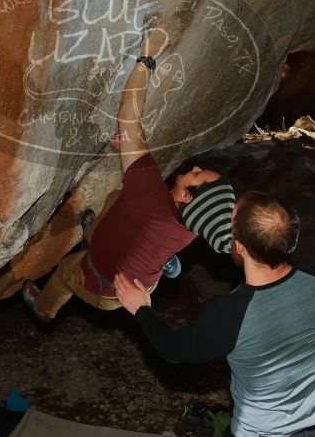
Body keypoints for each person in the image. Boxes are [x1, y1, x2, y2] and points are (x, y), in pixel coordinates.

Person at [21, 27, 222, 322]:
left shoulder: (150, 196)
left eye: (199, 175)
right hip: (144, 284)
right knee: (118, 198)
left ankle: (44, 309)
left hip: (104, 287)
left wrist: (147, 59)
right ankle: (97, 233)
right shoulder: (199, 223)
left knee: (66, 273)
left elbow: (128, 117)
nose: (194, 168)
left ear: (185, 196)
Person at [115, 191, 315, 437]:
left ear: (240, 246)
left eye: (231, 222)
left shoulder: (231, 313)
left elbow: (175, 349)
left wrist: (141, 308)